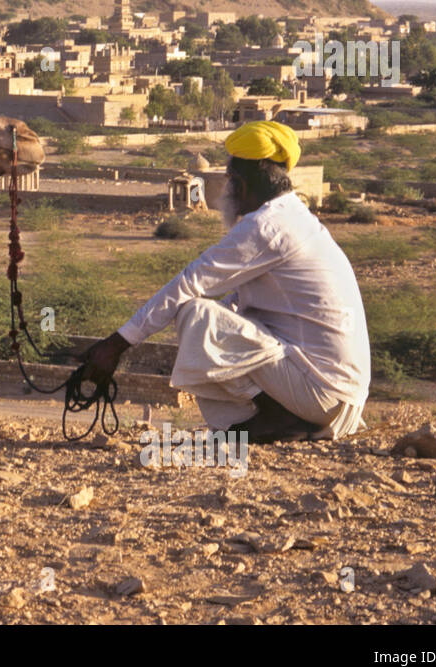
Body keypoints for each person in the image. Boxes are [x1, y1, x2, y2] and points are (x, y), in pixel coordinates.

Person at [79, 120, 370, 443]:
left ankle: (278, 416)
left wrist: (116, 345)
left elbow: (189, 283)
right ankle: (281, 416)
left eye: (230, 178)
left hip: (322, 394)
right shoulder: (294, 219)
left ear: (242, 183)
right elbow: (239, 305)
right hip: (336, 397)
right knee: (224, 316)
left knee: (196, 315)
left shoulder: (266, 226)